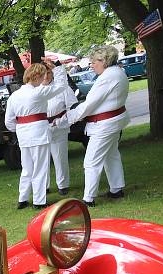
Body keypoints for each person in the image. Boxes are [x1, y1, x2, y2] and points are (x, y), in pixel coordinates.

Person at [59, 45, 130, 206]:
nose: (91, 65)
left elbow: (90, 104)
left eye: (93, 62)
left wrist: (67, 119)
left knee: (91, 161)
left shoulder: (108, 77)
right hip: (112, 122)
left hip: (104, 125)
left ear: (104, 61)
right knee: (111, 155)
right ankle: (116, 189)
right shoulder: (117, 72)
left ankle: (88, 199)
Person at [4, 59, 67, 209]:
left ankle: (23, 199)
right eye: (43, 76)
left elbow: (9, 122)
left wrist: (21, 129)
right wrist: (58, 70)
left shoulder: (14, 96)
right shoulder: (38, 92)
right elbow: (61, 86)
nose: (44, 79)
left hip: (23, 135)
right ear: (37, 77)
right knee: (40, 167)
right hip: (38, 132)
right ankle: (39, 201)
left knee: (27, 168)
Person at [44, 68, 79, 196]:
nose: (46, 76)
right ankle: (43, 186)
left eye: (48, 72)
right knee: (41, 158)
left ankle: (63, 185)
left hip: (59, 125)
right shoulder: (35, 90)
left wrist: (61, 121)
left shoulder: (62, 88)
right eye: (43, 73)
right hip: (41, 127)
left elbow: (73, 107)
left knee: (60, 156)